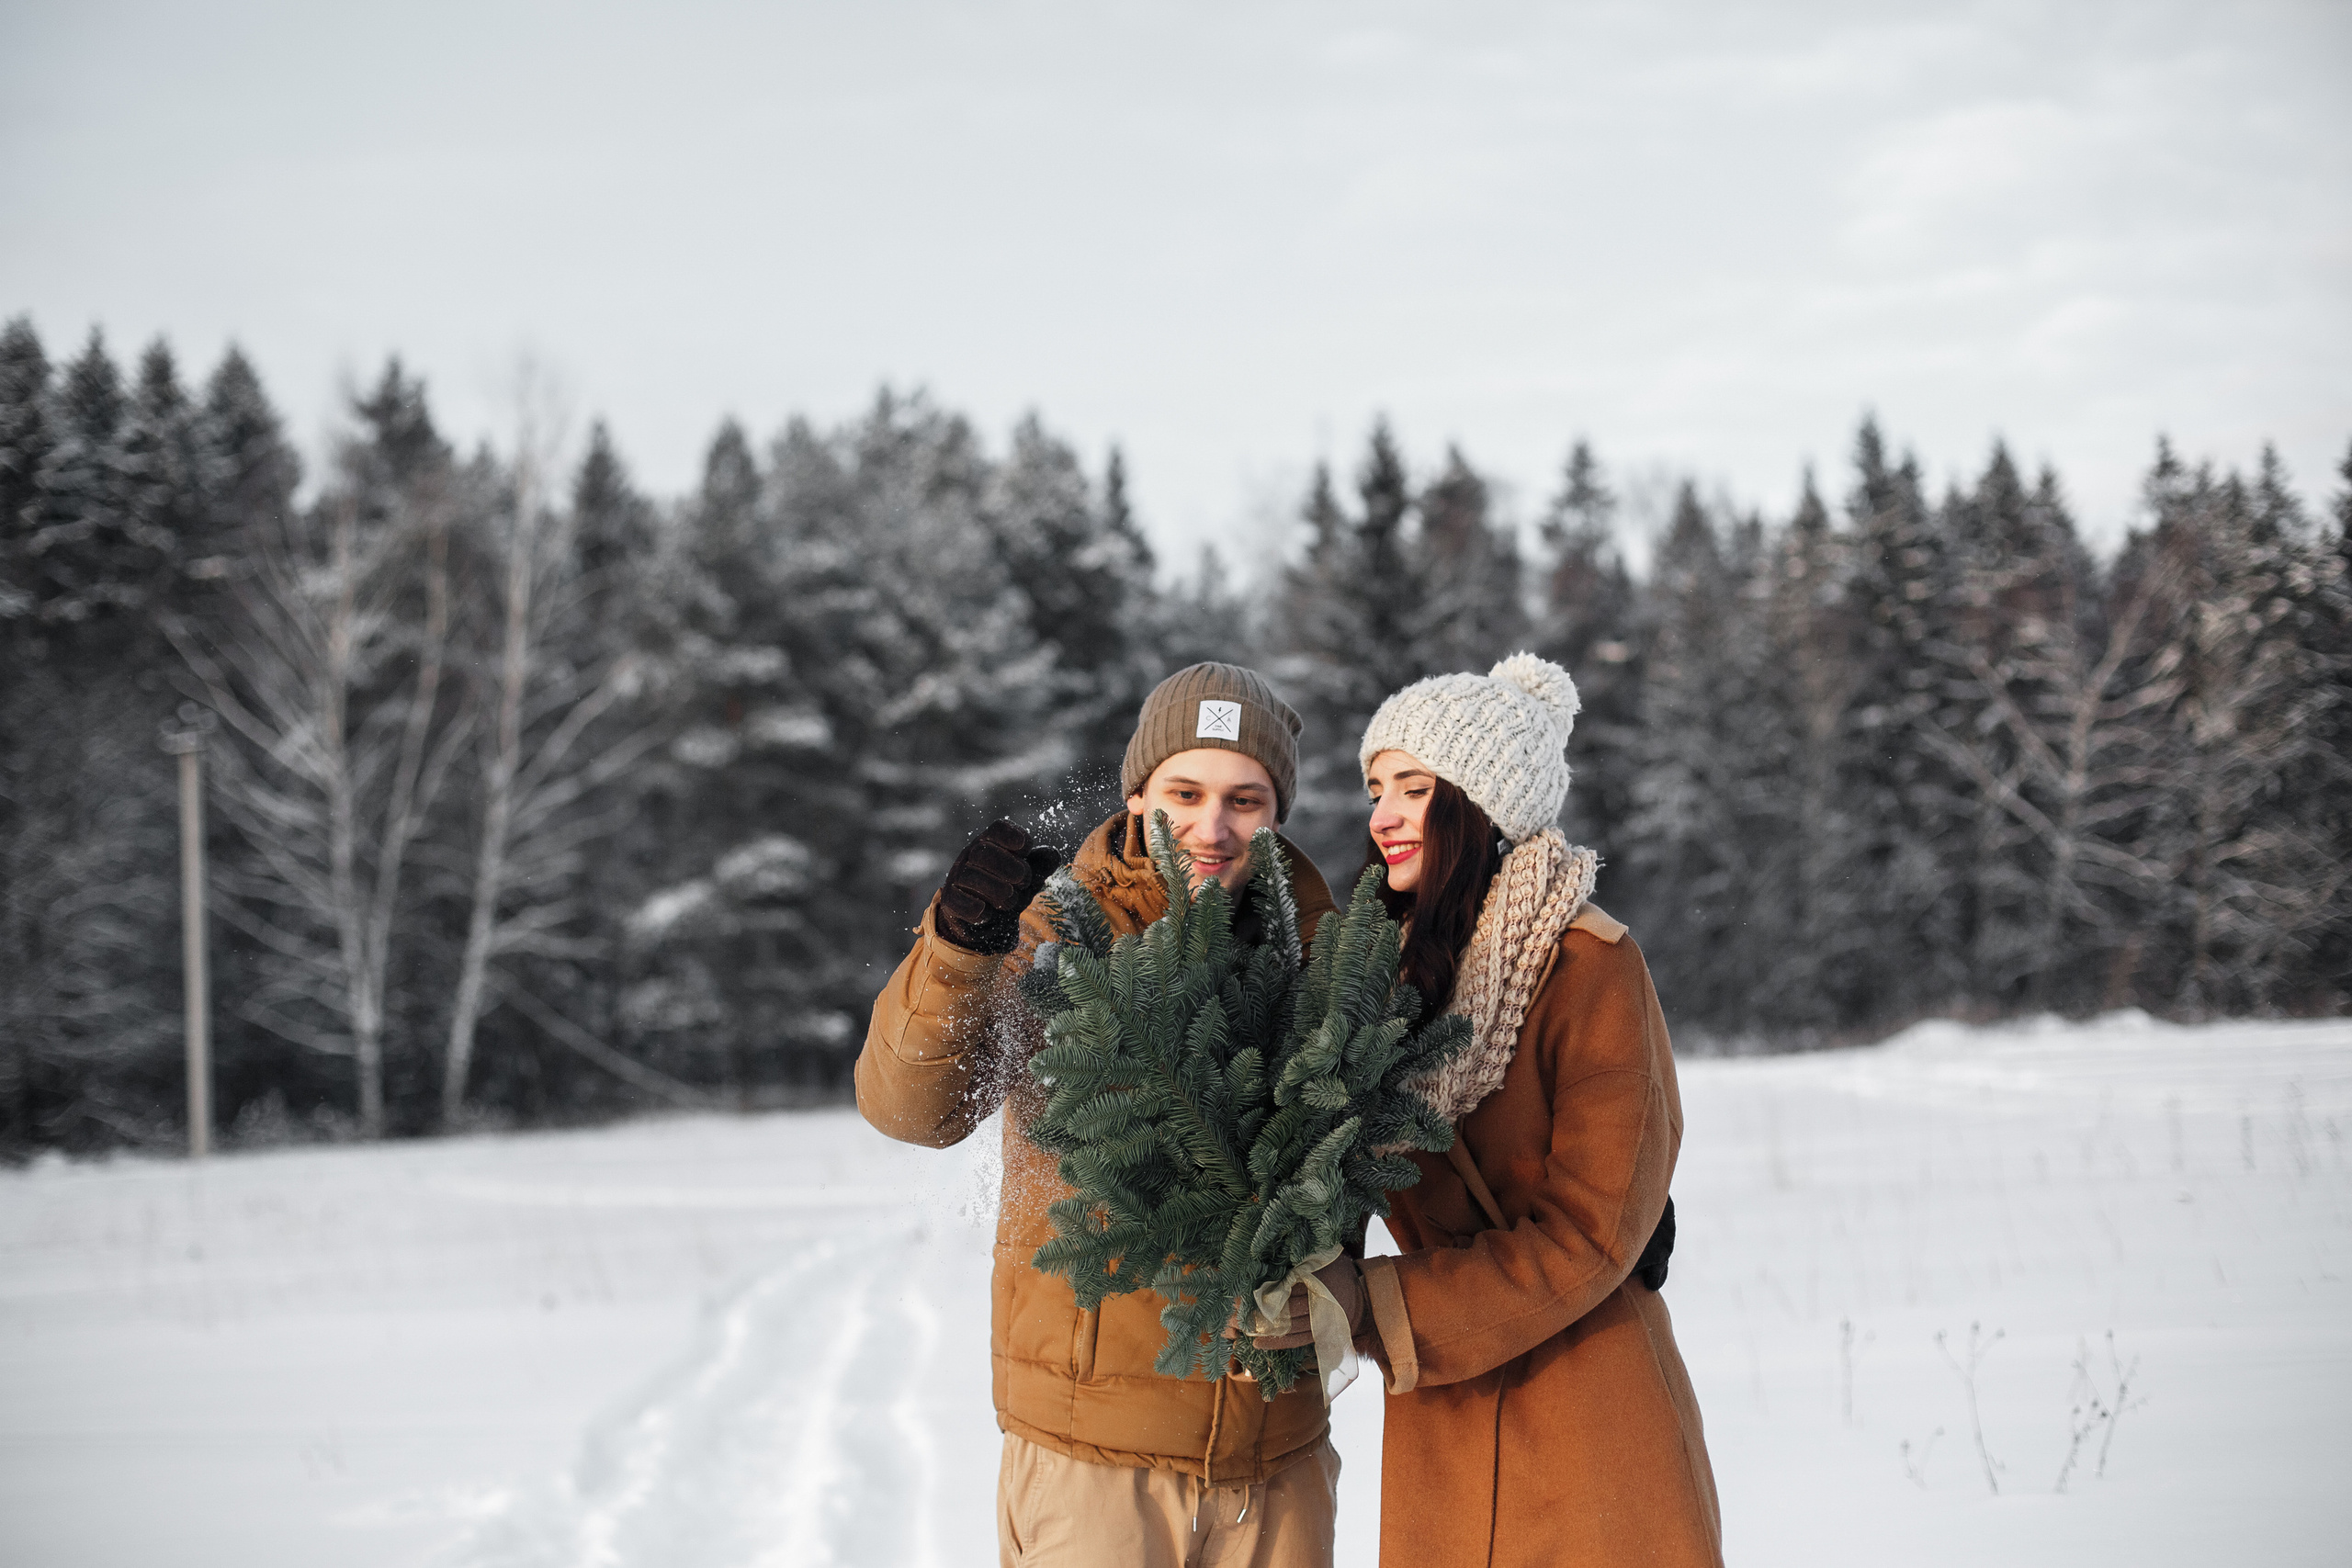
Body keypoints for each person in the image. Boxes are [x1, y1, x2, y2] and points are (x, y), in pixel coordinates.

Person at [858, 662, 1350, 1568]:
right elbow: (911, 1108)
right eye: (1185, 793)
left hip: (1279, 1462)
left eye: (1244, 800)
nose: (1212, 826)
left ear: (1277, 813)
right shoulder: (1058, 935)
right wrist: (957, 951)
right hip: (1096, 1462)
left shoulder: (1324, 958)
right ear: (1137, 795)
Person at [1253, 652, 1723, 1568]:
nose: (1382, 815)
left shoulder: (1590, 965)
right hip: (1447, 1417)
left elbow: (1591, 1232)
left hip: (1587, 1405)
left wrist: (1376, 1304)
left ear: (1482, 803)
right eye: (1375, 789)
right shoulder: (1377, 975)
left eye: (1414, 788)